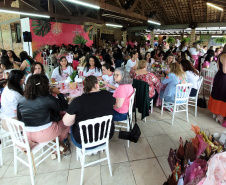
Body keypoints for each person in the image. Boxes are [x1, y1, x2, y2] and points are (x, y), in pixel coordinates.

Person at [17, 74, 70, 150]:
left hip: (27, 134)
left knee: (56, 117)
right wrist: (59, 93)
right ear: (43, 85)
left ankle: (58, 142)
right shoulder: (47, 98)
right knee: (67, 120)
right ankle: (60, 142)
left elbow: (20, 118)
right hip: (44, 135)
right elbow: (64, 106)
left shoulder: (21, 100)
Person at [63, 75, 115, 148]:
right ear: (97, 85)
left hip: (83, 141)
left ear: (84, 88)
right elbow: (114, 103)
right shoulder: (107, 94)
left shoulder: (77, 101)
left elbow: (66, 122)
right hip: (106, 135)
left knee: (72, 124)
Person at [208, 44, 226, 119]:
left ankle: (217, 113)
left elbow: (219, 68)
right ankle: (220, 115)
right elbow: (225, 71)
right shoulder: (225, 56)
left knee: (218, 94)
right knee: (222, 96)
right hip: (224, 78)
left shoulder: (221, 55)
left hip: (219, 76)